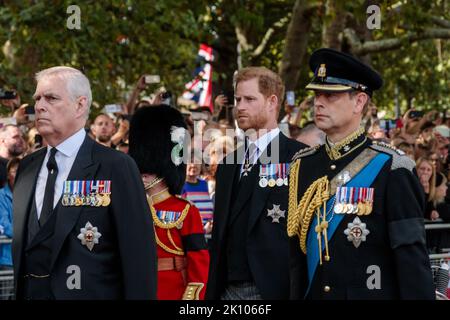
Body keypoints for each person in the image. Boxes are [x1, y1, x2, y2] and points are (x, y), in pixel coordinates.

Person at [287, 48, 435, 300]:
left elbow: (410, 260)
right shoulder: (302, 165)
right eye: (317, 95)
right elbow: (295, 259)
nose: (318, 102)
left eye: (330, 95)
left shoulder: (393, 167)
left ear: (359, 101)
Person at [12, 66, 157, 300]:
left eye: (51, 98)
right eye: (37, 98)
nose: (39, 106)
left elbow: (138, 258)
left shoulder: (116, 166)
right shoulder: (27, 168)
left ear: (80, 105)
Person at [206, 67, 306, 300]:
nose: (240, 106)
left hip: (274, 288)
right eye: (238, 99)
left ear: (272, 102)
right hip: (226, 288)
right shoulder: (228, 164)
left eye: (250, 99)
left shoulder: (300, 157)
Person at [128, 105, 209, 300]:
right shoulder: (129, 208)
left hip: (172, 290)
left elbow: (199, 261)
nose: (143, 173)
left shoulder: (185, 211)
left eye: (148, 170)